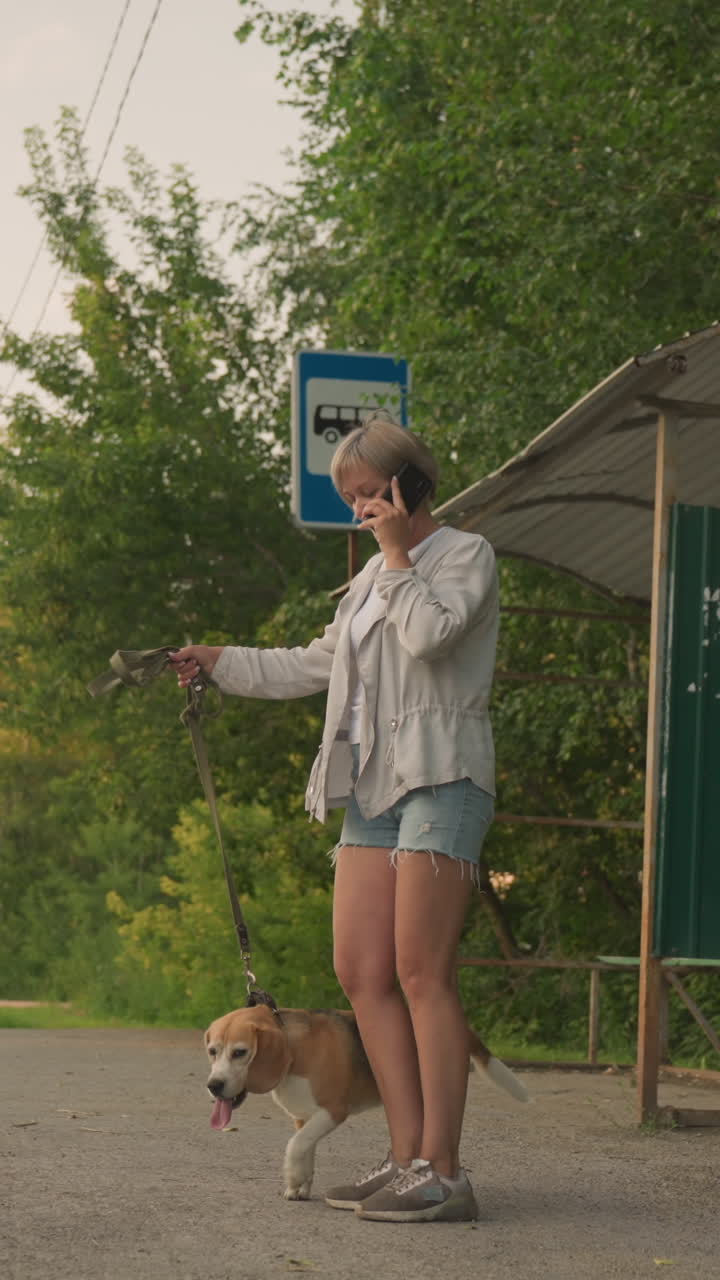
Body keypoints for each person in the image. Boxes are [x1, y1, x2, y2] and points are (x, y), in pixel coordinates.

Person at [169, 416, 498, 1223]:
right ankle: (401, 1157)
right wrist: (222, 662)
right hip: (372, 790)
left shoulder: (463, 555)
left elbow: (430, 637)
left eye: (367, 493)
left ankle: (444, 1172)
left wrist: (395, 557)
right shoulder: (363, 587)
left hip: (442, 776)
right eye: (349, 497)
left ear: (409, 486)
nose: (358, 508)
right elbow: (316, 663)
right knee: (361, 973)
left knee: (422, 974)